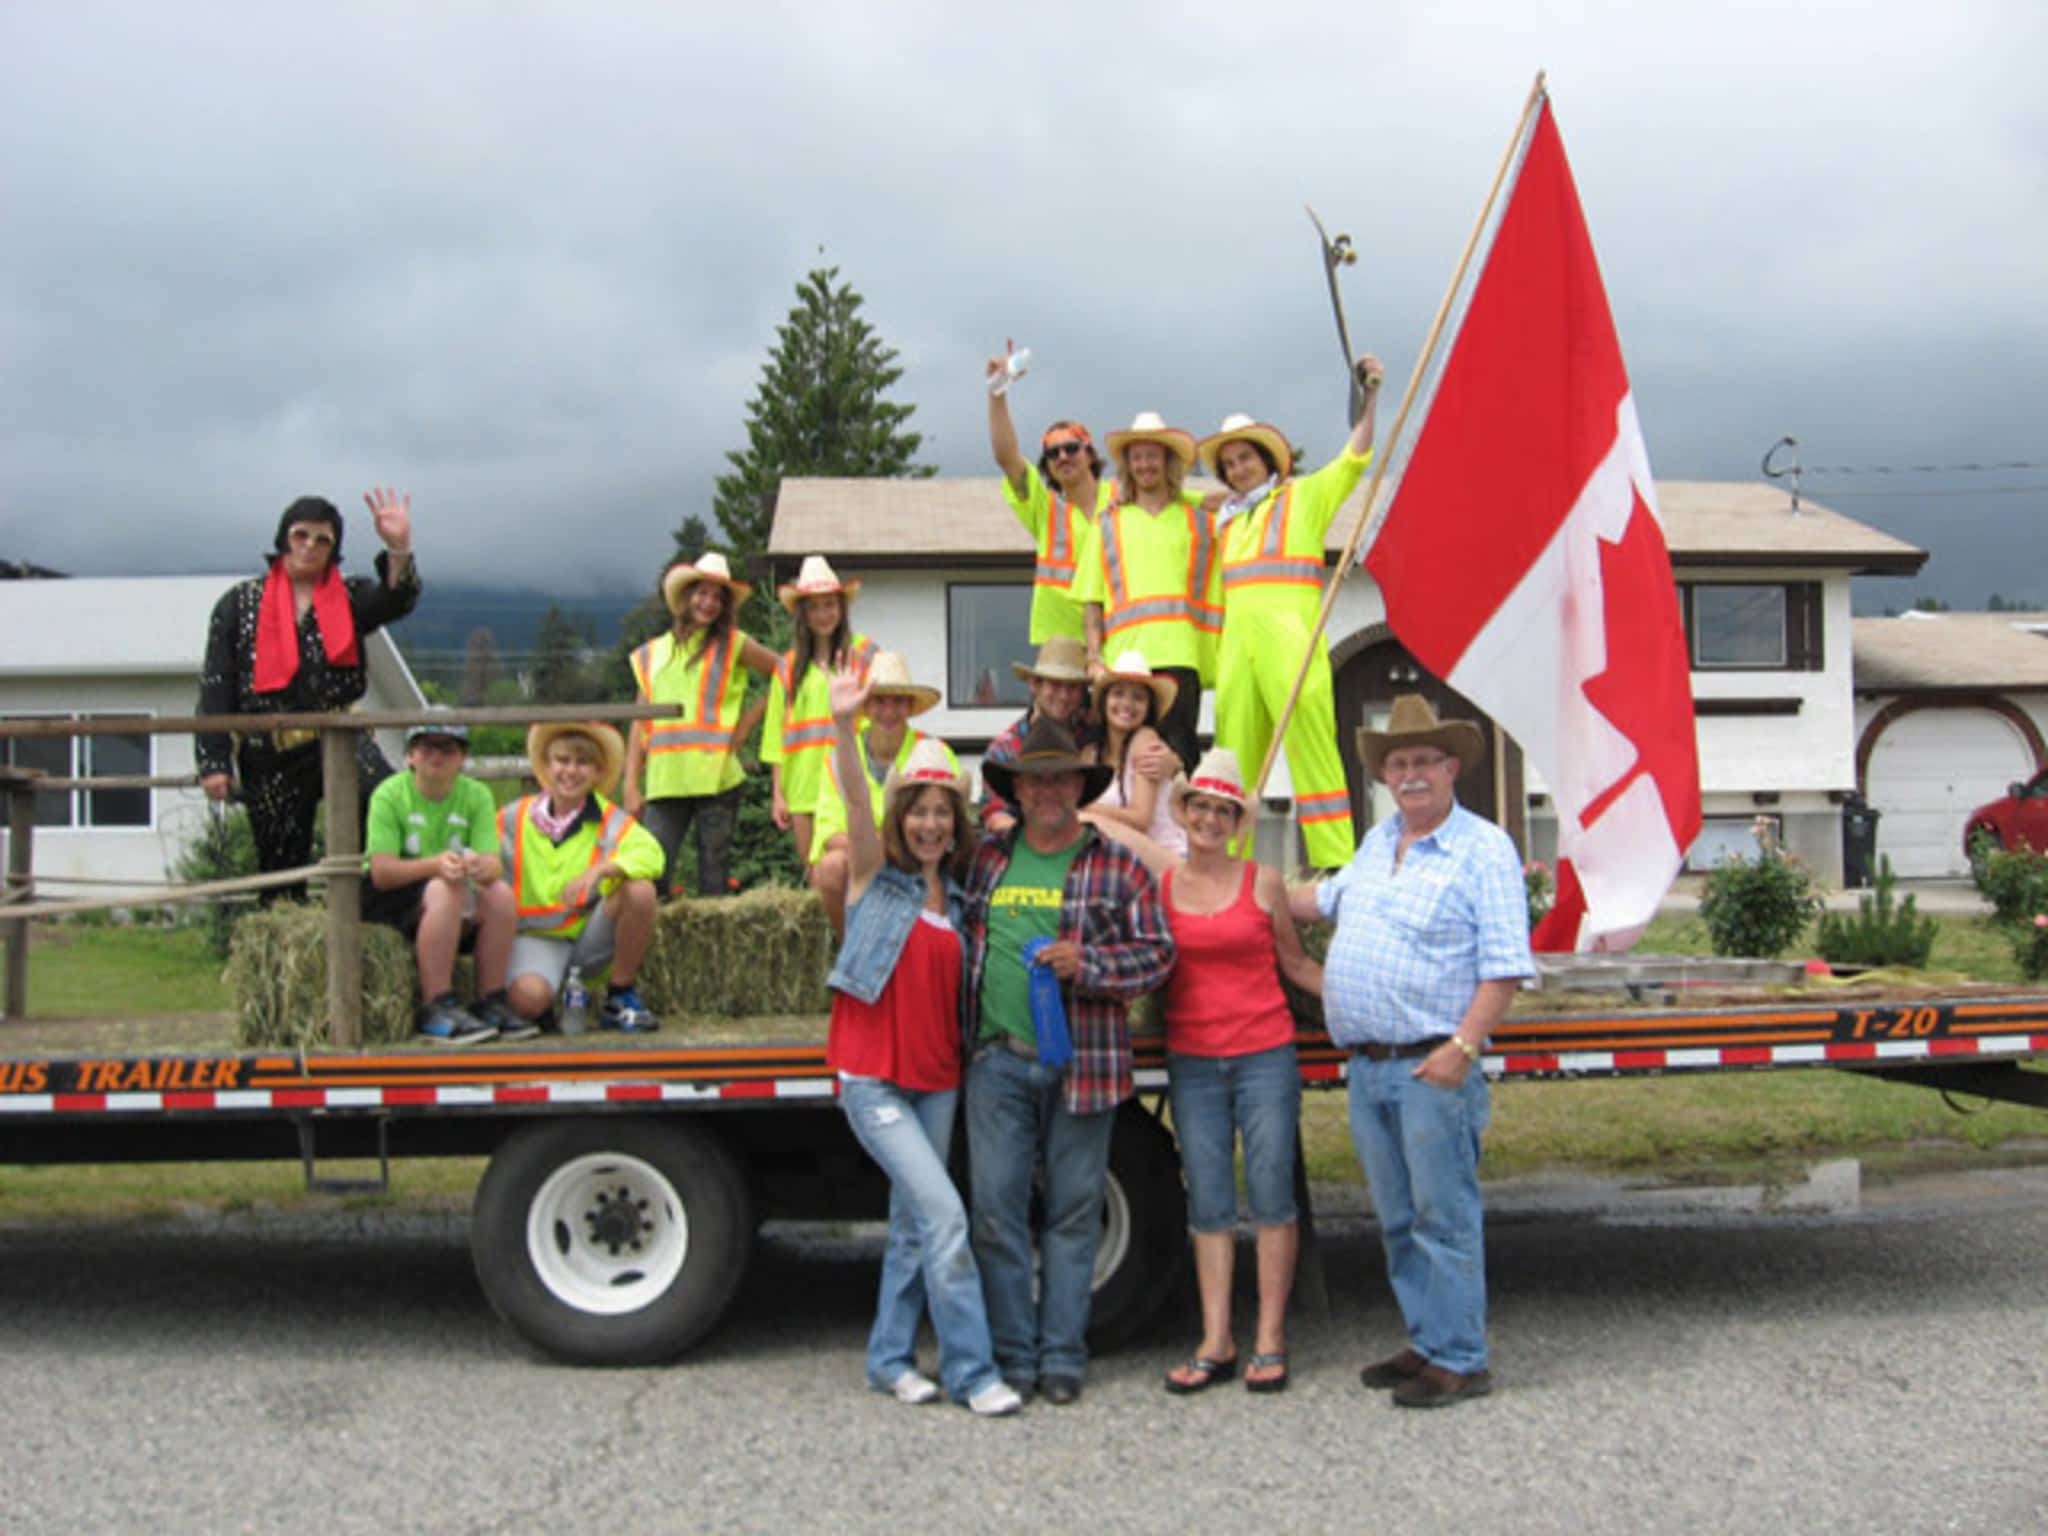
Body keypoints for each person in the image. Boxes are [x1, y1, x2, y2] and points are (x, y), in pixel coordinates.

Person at [1288, 694, 1533, 1408]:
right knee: (1396, 1219)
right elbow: (1322, 902)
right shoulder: (1374, 844)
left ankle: (1461, 1358)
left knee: (1442, 1215)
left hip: (1431, 1065)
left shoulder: (1483, 850)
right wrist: (1250, 888)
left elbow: (1505, 963)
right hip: (1368, 1066)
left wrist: (1464, 1045)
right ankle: (1428, 1339)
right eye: (1399, 762)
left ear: (1452, 766)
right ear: (1384, 775)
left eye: (1425, 759)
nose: (1412, 773)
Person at [821, 663, 1022, 1418]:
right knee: (945, 1218)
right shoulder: (876, 878)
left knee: (912, 1224)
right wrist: (844, 725)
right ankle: (974, 1373)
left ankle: (889, 1359)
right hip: (874, 1079)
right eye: (919, 811)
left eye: (943, 813)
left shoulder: (965, 895)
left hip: (939, 1079)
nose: (930, 825)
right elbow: (851, 799)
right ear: (901, 814)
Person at [964, 716, 1175, 1405]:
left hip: (1085, 1063)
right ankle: (1015, 1356)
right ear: (1017, 788)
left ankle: (1061, 1357)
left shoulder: (1114, 861)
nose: (1048, 789)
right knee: (995, 1212)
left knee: (1075, 1213)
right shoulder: (988, 860)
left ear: (1077, 787)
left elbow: (1157, 953)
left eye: (1061, 778)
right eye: (1037, 778)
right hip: (997, 1062)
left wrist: (1089, 964)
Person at [1154, 749, 1322, 1396]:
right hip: (1192, 1059)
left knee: (1273, 1194)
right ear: (1186, 812)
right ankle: (1216, 1338)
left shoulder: (1264, 882)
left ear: (1236, 821)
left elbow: (1297, 965)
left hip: (1264, 1056)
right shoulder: (1163, 885)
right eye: (1200, 806)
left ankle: (1271, 1336)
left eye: (1223, 810)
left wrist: (1368, 1005)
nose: (1210, 818)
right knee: (1210, 1202)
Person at [1199, 355, 1385, 870]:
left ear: (1267, 460)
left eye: (1246, 459)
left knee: (1311, 742)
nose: (1239, 469)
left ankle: (1335, 864)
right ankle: (1227, 864)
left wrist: (1370, 398)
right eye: (1230, 463)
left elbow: (1354, 458)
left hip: (1292, 641)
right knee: (1232, 757)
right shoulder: (1225, 523)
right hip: (1238, 650)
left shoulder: (1303, 498)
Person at [196, 490, 420, 894]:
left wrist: (398, 547)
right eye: (301, 535)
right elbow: (217, 683)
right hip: (268, 748)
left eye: (323, 540)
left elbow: (395, 600)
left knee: (380, 802)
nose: (310, 547)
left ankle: (375, 913)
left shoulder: (350, 597)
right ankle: (285, 943)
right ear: (284, 538)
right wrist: (214, 760)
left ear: (334, 549)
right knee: (280, 863)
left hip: (339, 737)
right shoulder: (238, 604)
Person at [362, 717, 530, 1046]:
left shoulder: (477, 794)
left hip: (450, 892)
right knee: (444, 889)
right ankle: (435, 1003)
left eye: (448, 749)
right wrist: (434, 865)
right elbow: (381, 872)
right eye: (426, 748)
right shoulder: (389, 794)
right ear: (410, 756)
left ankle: (490, 999)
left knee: (500, 894)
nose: (436, 756)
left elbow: (493, 862)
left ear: (461, 759)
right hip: (392, 898)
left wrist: (479, 866)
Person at [623, 552, 778, 898]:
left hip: (718, 776)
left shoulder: (734, 644)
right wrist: (631, 783)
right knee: (654, 872)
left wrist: (747, 725)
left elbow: (785, 673)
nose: (708, 603)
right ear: (686, 596)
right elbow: (639, 722)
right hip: (665, 779)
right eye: (702, 593)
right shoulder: (652, 654)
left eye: (717, 597)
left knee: (714, 879)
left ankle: (720, 953)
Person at [1072, 413, 1217, 772]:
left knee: (1177, 757)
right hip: (1124, 658)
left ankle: (1181, 829)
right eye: (1137, 457)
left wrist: (1195, 497)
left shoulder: (1201, 521)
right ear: (1127, 466)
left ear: (1169, 462)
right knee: (1121, 759)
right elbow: (1093, 600)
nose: (1145, 464)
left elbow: (1240, 499)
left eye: (1153, 455)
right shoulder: (1107, 524)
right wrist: (1093, 656)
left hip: (1182, 657)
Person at [500, 722, 665, 1034]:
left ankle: (619, 996)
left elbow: (653, 854)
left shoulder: (613, 820)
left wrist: (602, 870)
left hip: (590, 939)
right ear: (546, 768)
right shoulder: (512, 817)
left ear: (599, 773)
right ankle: (551, 1000)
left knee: (640, 890)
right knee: (528, 1001)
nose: (571, 771)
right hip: (535, 938)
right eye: (562, 760)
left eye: (583, 763)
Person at [809, 652, 956, 939]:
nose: (889, 709)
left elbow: (951, 823)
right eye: (880, 700)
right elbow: (828, 835)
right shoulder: (837, 759)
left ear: (910, 706)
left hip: (919, 856)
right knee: (829, 868)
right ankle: (852, 945)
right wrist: (880, 845)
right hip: (864, 861)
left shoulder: (935, 752)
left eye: (898, 700)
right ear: (865, 705)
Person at [984, 345, 1112, 644]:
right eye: (1053, 453)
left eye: (1071, 448)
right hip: (1059, 648)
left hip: (1118, 640)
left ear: (1090, 455)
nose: (1063, 457)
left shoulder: (1122, 497)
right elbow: (1006, 457)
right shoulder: (1046, 510)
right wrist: (997, 392)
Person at [762, 555, 878, 869]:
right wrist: (779, 794)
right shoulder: (787, 667)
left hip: (850, 781)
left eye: (829, 604)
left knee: (856, 870)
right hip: (803, 785)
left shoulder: (864, 653)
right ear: (803, 614)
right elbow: (775, 736)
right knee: (816, 874)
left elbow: (881, 717)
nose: (823, 614)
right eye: (813, 607)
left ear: (841, 608)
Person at [976, 636, 1095, 835]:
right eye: (1055, 685)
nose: (1064, 696)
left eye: (1073, 687)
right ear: (1034, 685)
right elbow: (996, 816)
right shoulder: (1004, 748)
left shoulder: (1094, 735)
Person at [1078, 651, 1186, 868]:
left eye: (1138, 698)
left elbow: (1140, 819)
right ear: (1104, 700)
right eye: (1118, 694)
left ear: (1148, 709)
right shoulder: (1089, 753)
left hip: (1166, 860)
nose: (1127, 704)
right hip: (1122, 864)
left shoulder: (1145, 740)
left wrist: (1084, 811)